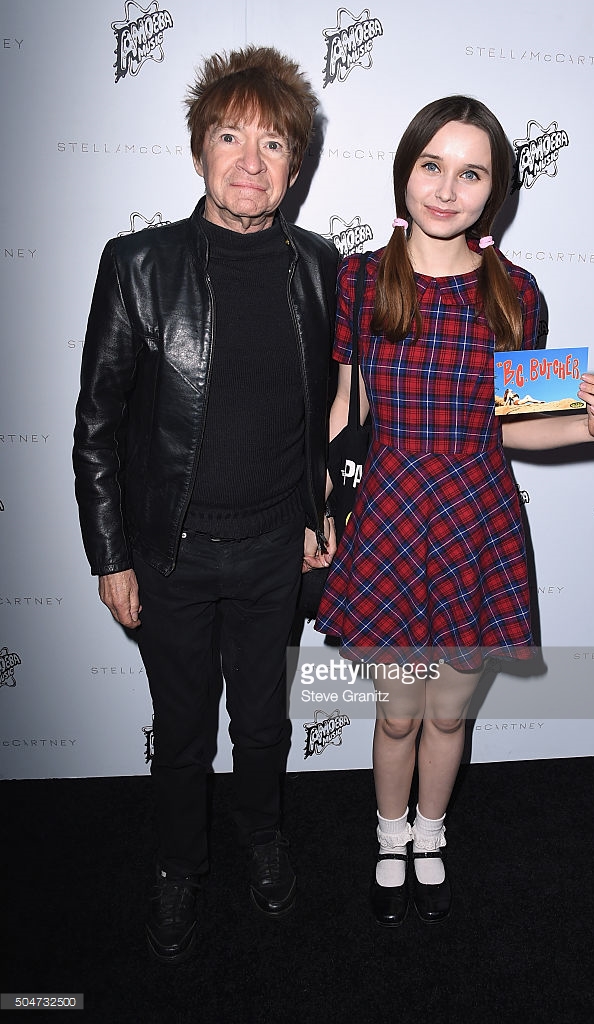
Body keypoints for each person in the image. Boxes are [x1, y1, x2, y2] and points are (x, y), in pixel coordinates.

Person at [315, 95, 594, 926]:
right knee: (398, 709)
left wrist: (591, 425)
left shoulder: (517, 291)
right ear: (406, 170)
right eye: (432, 165)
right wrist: (326, 510)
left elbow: (521, 431)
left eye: (472, 173)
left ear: (495, 192)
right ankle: (387, 834)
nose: (447, 189)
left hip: (476, 518)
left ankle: (430, 830)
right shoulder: (358, 276)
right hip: (385, 513)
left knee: (448, 711)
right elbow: (341, 413)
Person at [73, 46, 338, 962]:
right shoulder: (138, 266)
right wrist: (111, 557)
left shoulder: (319, 265)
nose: (251, 161)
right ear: (199, 151)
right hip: (172, 557)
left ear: (295, 167)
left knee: (264, 725)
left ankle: (262, 837)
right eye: (231, 136)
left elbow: (319, 410)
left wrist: (319, 507)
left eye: (272, 144)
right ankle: (179, 866)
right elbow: (97, 425)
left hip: (273, 551)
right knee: (183, 737)